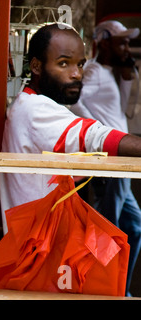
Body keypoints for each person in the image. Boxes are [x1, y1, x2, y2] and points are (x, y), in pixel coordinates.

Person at [0, 23, 141, 295]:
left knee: (117, 245)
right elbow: (97, 136)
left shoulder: (34, 104)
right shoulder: (36, 109)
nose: (76, 74)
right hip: (41, 257)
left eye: (80, 64)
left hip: (49, 245)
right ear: (37, 67)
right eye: (64, 64)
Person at [69, 20, 141, 296]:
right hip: (110, 160)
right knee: (107, 228)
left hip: (121, 162)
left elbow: (125, 111)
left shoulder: (112, 72)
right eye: (120, 41)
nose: (127, 47)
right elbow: (75, 101)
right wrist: (98, 131)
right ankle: (102, 288)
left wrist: (127, 76)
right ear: (104, 42)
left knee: (133, 227)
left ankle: (118, 288)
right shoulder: (94, 71)